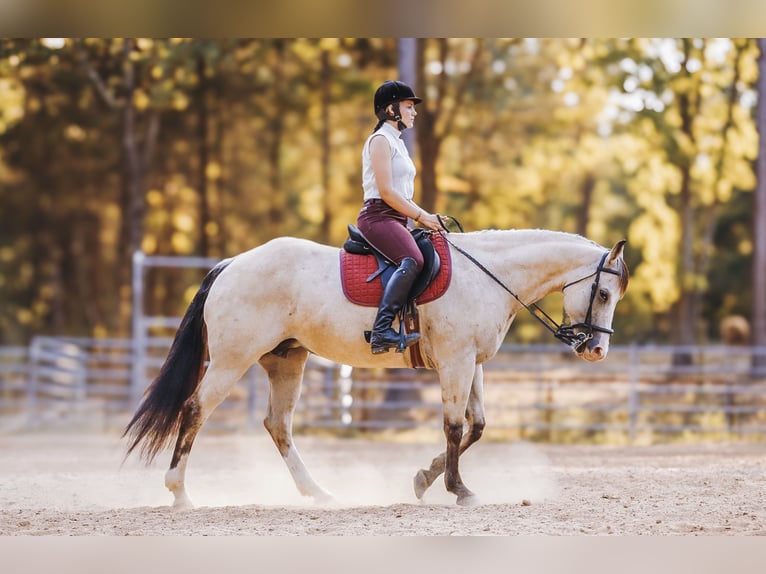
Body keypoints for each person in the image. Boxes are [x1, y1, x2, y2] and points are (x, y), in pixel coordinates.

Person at [357, 80, 442, 355]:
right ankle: (382, 331)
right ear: (391, 109)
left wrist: (426, 218)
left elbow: (402, 194)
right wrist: (421, 215)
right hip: (378, 217)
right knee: (413, 259)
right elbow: (386, 192)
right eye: (408, 106)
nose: (414, 112)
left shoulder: (397, 142)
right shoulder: (381, 140)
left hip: (397, 217)